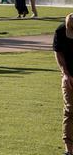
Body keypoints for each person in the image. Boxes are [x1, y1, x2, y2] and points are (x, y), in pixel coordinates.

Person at [54, 14, 73, 155]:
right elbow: (58, 53)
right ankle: (69, 150)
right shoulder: (60, 31)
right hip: (69, 77)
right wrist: (65, 73)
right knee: (69, 110)